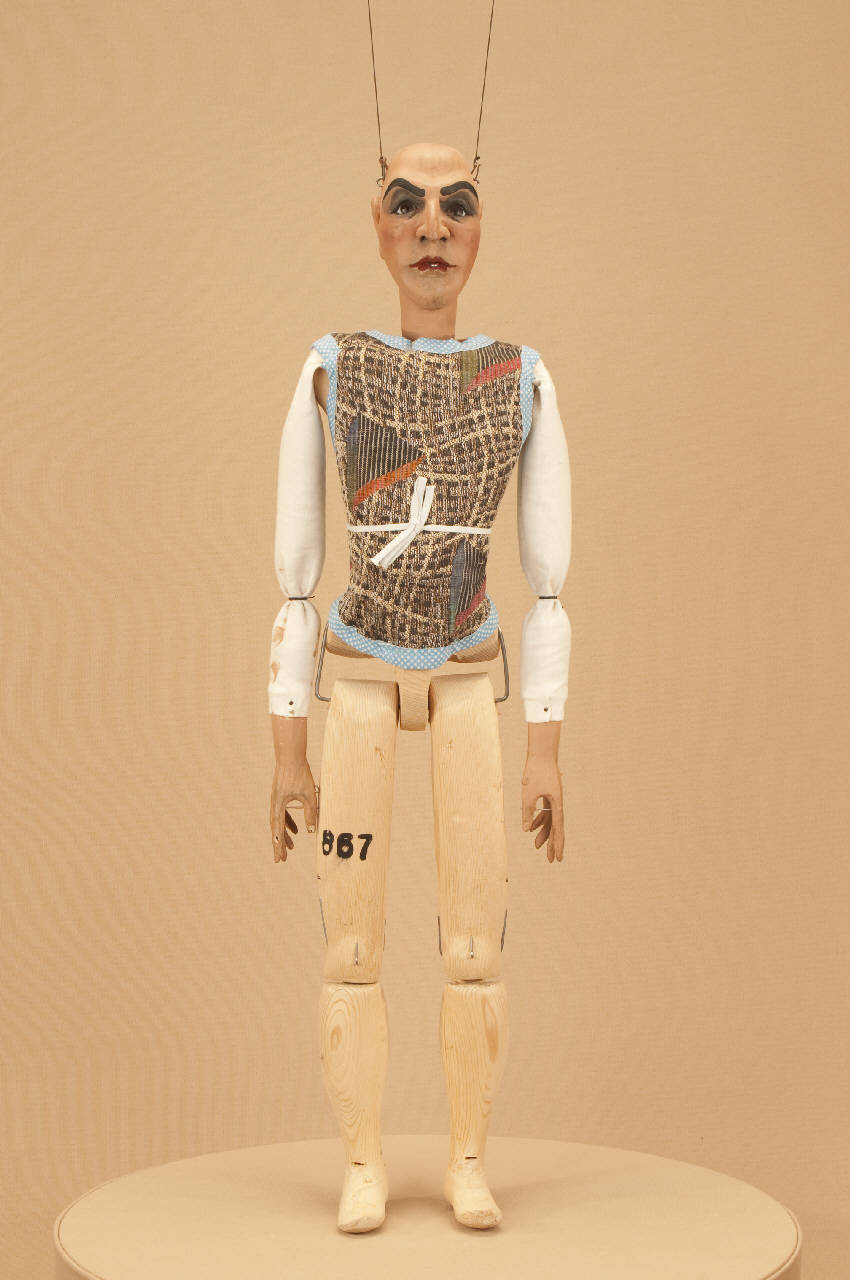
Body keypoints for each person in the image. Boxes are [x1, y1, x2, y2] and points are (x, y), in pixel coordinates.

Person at [268, 141, 572, 1231]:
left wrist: (544, 747)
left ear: (480, 228)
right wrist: (287, 749)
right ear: (378, 223)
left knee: (474, 947)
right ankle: (363, 1161)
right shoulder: (332, 367)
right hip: (356, 674)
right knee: (350, 947)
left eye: (457, 205)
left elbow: (548, 580)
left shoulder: (521, 375)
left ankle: (466, 1159)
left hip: (465, 675)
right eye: (408, 203)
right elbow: (296, 576)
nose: (432, 227)